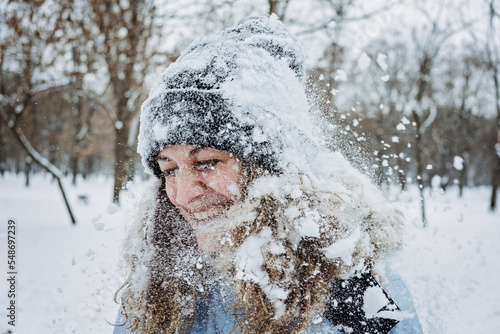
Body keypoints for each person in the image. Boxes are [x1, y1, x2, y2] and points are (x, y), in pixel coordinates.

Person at [113, 15, 423, 334]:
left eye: (207, 162)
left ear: (274, 171)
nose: (183, 194)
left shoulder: (355, 294)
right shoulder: (156, 284)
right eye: (169, 169)